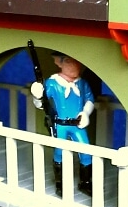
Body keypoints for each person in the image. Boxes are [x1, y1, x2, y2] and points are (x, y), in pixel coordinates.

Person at [31, 51, 95, 194]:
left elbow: (90, 99)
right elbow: (42, 104)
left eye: (77, 61)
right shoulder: (53, 83)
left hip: (77, 124)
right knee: (59, 152)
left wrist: (85, 113)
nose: (75, 65)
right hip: (60, 125)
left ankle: (85, 183)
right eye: (68, 61)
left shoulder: (82, 83)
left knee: (86, 151)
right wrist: (37, 96)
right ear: (58, 62)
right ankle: (60, 184)